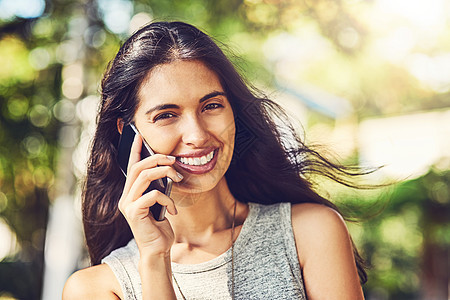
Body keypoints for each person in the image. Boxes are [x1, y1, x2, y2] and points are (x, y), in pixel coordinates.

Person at [63, 21, 367, 299]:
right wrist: (155, 260)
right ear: (127, 132)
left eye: (211, 106)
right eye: (166, 115)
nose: (197, 135)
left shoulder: (310, 232)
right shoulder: (95, 288)